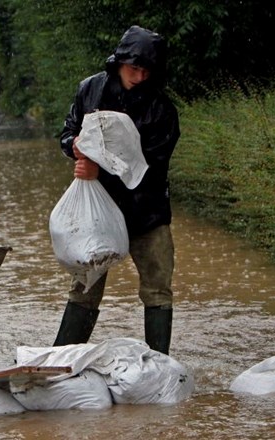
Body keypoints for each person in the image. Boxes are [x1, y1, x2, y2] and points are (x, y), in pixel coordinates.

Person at [54, 25, 180, 354]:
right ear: (119, 62)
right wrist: (76, 146)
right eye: (133, 69)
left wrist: (99, 169)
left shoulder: (162, 110)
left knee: (157, 288)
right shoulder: (90, 90)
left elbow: (150, 168)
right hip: (97, 214)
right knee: (84, 287)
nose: (139, 77)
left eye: (145, 71)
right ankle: (60, 361)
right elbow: (67, 133)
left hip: (147, 212)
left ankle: (159, 365)